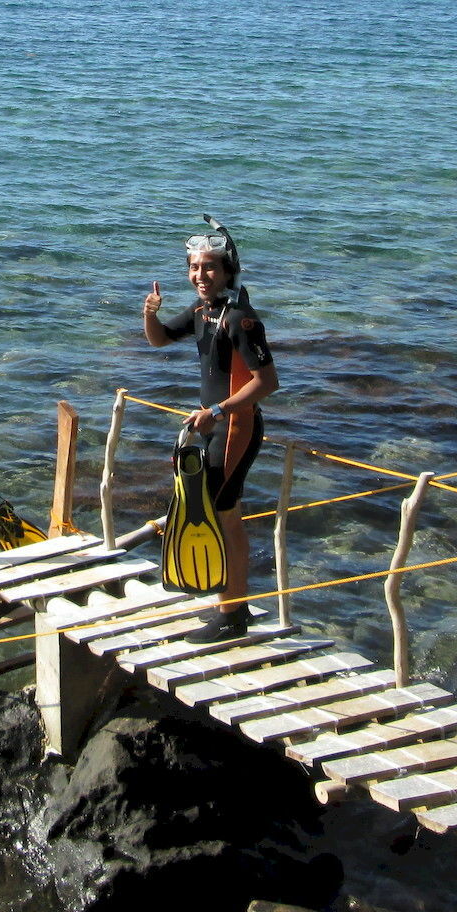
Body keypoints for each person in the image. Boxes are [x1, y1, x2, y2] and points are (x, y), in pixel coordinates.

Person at [142, 220, 280, 641]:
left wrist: (218, 410)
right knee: (225, 514)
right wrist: (150, 313)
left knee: (225, 517)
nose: (201, 275)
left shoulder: (240, 319)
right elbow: (161, 340)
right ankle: (231, 605)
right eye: (194, 267)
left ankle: (233, 613)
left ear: (227, 272)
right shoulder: (205, 312)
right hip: (215, 423)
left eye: (210, 268)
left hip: (235, 426)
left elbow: (267, 382)